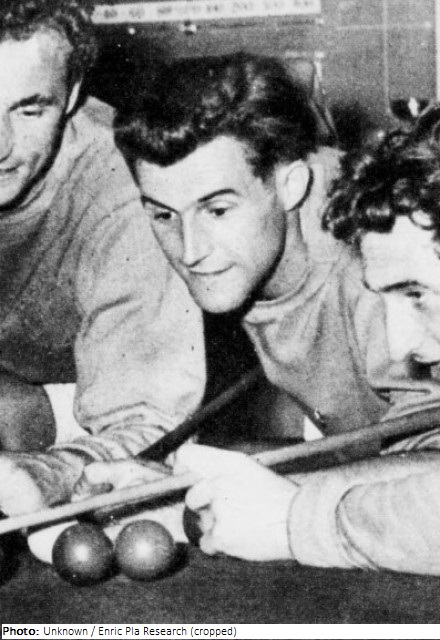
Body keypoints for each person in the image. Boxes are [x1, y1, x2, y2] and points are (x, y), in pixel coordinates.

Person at [76, 56, 440, 574]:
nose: (191, 250)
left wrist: (246, 505)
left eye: (218, 210)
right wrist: (188, 487)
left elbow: (431, 469)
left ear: (290, 184)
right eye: (163, 215)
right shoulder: (240, 250)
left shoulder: (380, 251)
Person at [0, 0, 205, 516]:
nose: (0, 146)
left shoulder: (124, 187)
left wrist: (53, 470)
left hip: (81, 413)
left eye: (29, 110)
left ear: (71, 95)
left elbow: (149, 421)